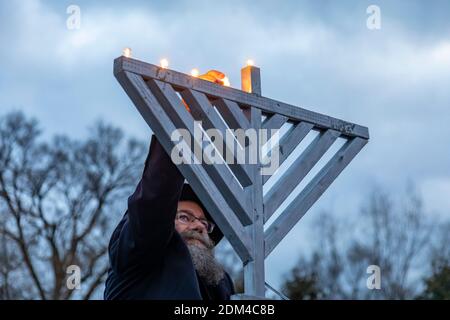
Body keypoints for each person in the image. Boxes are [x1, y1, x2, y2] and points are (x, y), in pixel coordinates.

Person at [104, 69, 235, 300]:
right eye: (185, 217)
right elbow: (155, 201)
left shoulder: (220, 283)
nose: (200, 226)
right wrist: (183, 117)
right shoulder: (139, 257)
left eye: (205, 222)